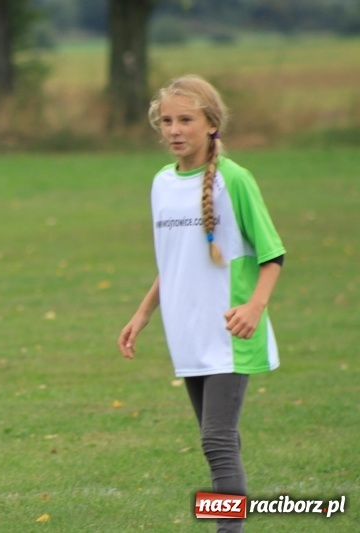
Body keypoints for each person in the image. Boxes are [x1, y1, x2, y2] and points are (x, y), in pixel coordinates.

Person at [117, 75, 285, 533]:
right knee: (219, 441)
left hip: (231, 332)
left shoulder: (236, 180)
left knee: (217, 442)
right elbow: (175, 263)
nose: (174, 130)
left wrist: (254, 308)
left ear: (211, 123)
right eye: (167, 121)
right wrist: (143, 312)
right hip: (185, 332)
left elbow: (273, 255)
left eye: (185, 120)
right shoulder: (161, 184)